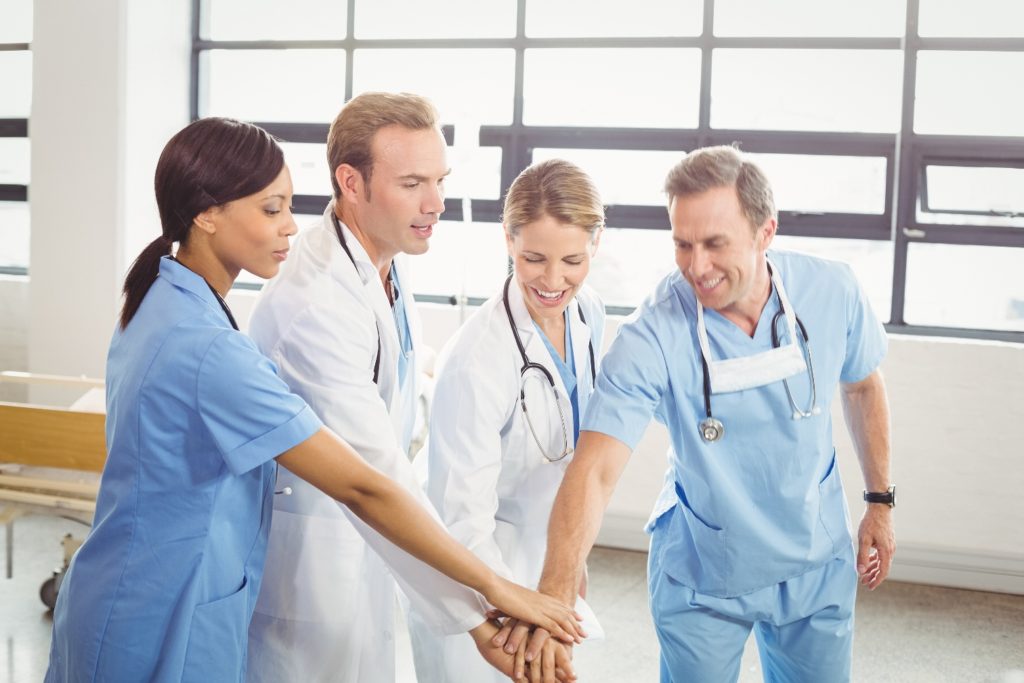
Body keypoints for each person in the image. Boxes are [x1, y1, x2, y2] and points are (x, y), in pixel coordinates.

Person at [43, 117, 583, 683]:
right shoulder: (214, 345)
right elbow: (364, 482)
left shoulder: (166, 296)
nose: (290, 227)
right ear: (206, 214)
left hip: (154, 586)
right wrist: (491, 594)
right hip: (158, 607)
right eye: (271, 209)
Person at [500, 145, 896, 682]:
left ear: (765, 232)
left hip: (815, 558)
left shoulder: (833, 290)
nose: (696, 266)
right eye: (682, 244)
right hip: (705, 566)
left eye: (715, 244)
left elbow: (862, 387)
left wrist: (880, 501)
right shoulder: (654, 332)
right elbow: (594, 471)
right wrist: (553, 598)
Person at [246, 92, 574, 682]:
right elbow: (374, 481)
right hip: (310, 566)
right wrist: (480, 612)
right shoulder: (316, 303)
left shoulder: (381, 263)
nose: (436, 203)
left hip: (360, 554)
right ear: (352, 181)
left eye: (440, 180)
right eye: (413, 183)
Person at [409, 159, 606, 683]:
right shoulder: (477, 356)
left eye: (572, 260)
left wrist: (570, 563)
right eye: (533, 258)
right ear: (508, 240)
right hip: (479, 583)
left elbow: (577, 455)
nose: (553, 279)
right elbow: (460, 517)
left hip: (551, 566)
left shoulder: (590, 315)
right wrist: (514, 614)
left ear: (596, 243)